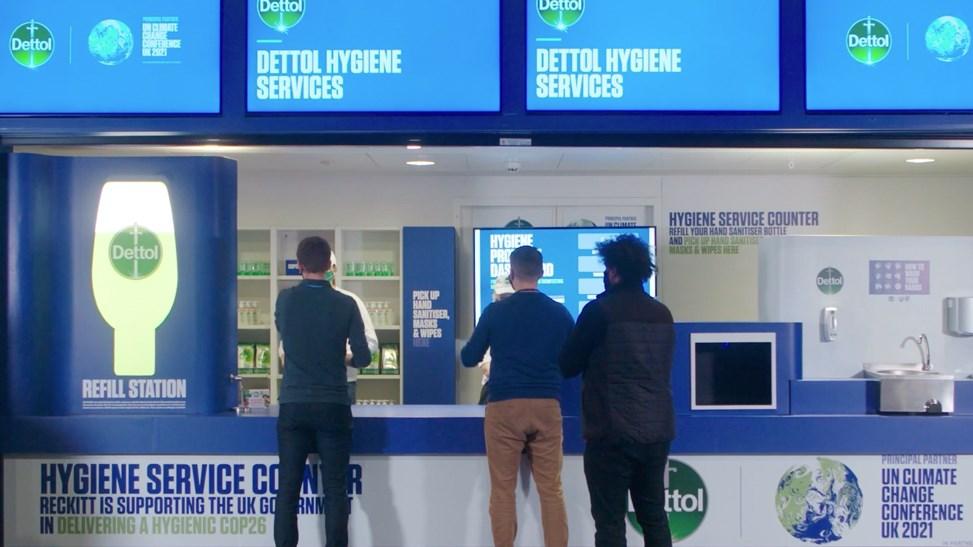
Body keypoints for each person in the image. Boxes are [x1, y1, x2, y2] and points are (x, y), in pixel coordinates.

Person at [559, 234, 675, 547]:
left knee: (610, 522)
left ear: (612, 272)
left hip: (611, 433)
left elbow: (567, 363)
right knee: (654, 515)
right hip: (657, 431)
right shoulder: (662, 314)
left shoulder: (600, 311)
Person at [461, 246, 575, 547]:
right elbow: (574, 361)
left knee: (502, 490)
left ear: (512, 274)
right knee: (551, 489)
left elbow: (469, 357)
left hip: (504, 406)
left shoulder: (495, 312)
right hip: (547, 405)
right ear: (541, 272)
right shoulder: (559, 313)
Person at [274, 236, 370, 547]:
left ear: (299, 266)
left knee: (288, 490)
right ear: (330, 266)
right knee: (335, 490)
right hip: (333, 404)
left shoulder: (285, 300)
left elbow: (287, 337)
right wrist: (344, 357)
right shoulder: (346, 304)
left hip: (294, 403)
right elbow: (365, 357)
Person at [476, 274, 516, 405]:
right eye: (502, 297)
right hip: (494, 391)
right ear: (495, 297)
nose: (506, 302)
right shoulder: (488, 321)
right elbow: (486, 365)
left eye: (509, 297)